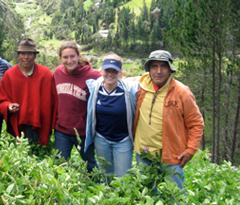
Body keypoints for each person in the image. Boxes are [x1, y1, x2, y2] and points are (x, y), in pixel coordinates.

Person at [132, 50, 204, 189]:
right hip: (144, 154)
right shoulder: (141, 88)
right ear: (149, 69)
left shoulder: (182, 92)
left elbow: (196, 123)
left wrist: (191, 149)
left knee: (175, 196)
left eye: (163, 66)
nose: (159, 71)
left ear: (170, 70)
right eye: (154, 66)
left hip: (172, 157)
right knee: (148, 196)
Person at [0, 38, 56, 145]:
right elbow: (2, 100)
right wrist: (9, 106)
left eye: (30, 54)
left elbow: (53, 101)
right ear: (18, 55)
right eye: (23, 54)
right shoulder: (9, 75)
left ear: (35, 56)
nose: (26, 57)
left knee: (40, 156)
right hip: (19, 124)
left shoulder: (45, 74)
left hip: (40, 124)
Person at [85, 53, 135, 180]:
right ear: (102, 71)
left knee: (123, 178)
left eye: (115, 71)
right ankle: (108, 199)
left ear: (120, 72)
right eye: (107, 70)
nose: (110, 74)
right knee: (106, 175)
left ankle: (123, 199)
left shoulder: (129, 91)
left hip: (123, 140)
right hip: (101, 139)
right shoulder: (95, 89)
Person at [53, 41, 101, 172]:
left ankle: (99, 188)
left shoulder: (93, 75)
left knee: (90, 165)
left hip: (84, 132)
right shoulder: (58, 73)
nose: (69, 61)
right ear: (61, 58)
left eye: (72, 56)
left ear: (78, 56)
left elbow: (109, 83)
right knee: (59, 166)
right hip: (62, 130)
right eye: (65, 57)